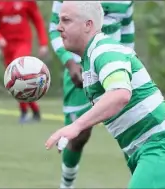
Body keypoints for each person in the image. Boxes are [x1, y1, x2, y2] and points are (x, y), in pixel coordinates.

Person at [45, 1, 165, 189]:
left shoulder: (104, 52)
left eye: (66, 20)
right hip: (146, 151)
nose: (58, 27)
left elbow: (120, 94)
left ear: (88, 25)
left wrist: (76, 126)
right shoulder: (91, 58)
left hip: (163, 147)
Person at [48, 1, 135, 188]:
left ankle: (146, 182)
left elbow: (127, 28)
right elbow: (55, 29)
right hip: (79, 68)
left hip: (116, 68)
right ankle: (66, 185)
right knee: (77, 137)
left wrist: (129, 61)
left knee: (134, 132)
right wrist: (69, 62)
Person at [0, 0, 49, 123]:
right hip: (6, 46)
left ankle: (29, 112)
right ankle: (29, 111)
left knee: (19, 72)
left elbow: (37, 20)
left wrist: (43, 43)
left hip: (23, 43)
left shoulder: (27, 2)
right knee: (13, 80)